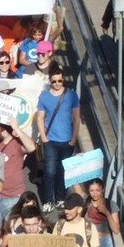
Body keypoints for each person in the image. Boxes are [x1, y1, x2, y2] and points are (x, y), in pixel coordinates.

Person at [34, 67, 80, 202]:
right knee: (50, 171)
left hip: (67, 140)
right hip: (51, 140)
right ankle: (48, 200)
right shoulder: (44, 96)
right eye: (54, 81)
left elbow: (76, 118)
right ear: (50, 81)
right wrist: (44, 137)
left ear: (63, 80)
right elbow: (40, 117)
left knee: (63, 171)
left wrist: (73, 139)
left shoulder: (71, 95)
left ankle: (60, 198)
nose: (57, 83)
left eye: (60, 81)